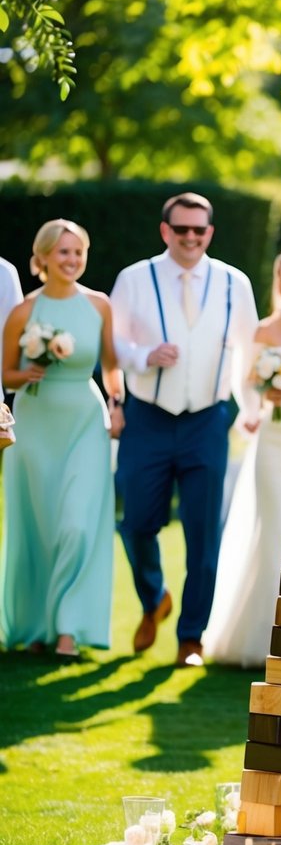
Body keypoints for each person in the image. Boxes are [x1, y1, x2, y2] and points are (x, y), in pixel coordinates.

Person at [110, 192, 260, 668]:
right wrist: (143, 355)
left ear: (210, 233)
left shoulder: (234, 282)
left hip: (207, 419)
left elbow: (250, 350)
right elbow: (113, 343)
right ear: (165, 231)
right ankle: (154, 596)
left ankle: (190, 637)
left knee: (202, 532)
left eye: (199, 230)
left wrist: (251, 408)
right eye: (181, 230)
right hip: (148, 416)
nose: (190, 238)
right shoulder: (134, 278)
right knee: (136, 523)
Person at [0, 220, 124, 659]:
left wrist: (118, 401)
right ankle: (36, 625)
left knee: (75, 524)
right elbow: (6, 374)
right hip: (35, 421)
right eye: (63, 253)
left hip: (85, 422)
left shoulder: (99, 305)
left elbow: (111, 364)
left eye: (78, 252)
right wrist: (26, 372)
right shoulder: (23, 311)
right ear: (44, 257)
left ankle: (68, 628)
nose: (72, 260)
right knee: (40, 526)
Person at [202, 248, 281, 667]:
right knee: (277, 536)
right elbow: (247, 384)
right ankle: (272, 638)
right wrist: (258, 401)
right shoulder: (267, 331)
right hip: (275, 445)